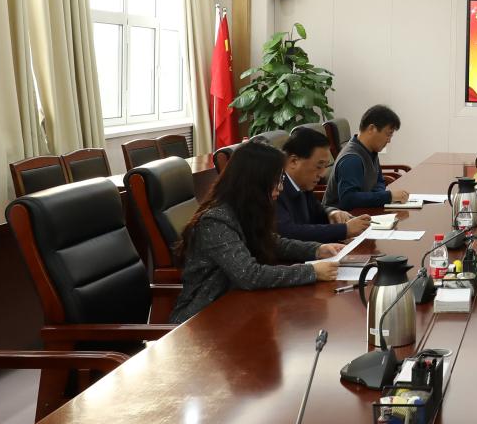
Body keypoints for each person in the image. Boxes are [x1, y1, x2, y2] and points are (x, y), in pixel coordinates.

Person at [171, 142, 343, 323]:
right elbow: (249, 274)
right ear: (256, 182)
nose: (280, 187)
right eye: (276, 181)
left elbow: (272, 242)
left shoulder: (245, 210)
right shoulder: (215, 221)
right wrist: (312, 271)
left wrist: (317, 250)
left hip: (236, 307)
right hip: (202, 318)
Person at [277, 126, 370, 244]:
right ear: (294, 161)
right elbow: (289, 232)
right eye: (319, 166)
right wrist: (344, 230)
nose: (322, 174)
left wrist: (332, 213)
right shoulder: (275, 189)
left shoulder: (302, 185)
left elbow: (318, 212)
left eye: (325, 166)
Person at [325, 103, 400, 211]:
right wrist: (387, 196)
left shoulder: (371, 151)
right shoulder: (352, 159)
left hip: (363, 213)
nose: (389, 140)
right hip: (343, 217)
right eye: (388, 134)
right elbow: (348, 199)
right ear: (372, 128)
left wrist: (378, 196)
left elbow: (379, 181)